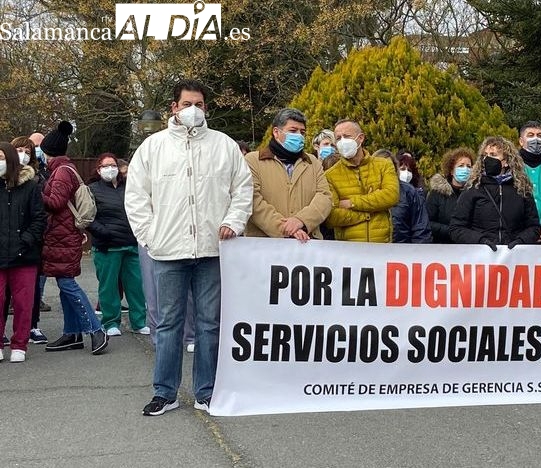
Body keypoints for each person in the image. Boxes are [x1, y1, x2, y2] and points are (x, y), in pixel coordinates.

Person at [126, 79, 253, 416]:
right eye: (186, 104)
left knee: (210, 324)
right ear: (174, 107)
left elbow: (242, 189)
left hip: (213, 250)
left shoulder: (224, 146)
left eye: (198, 104)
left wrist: (234, 221)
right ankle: (165, 392)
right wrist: (150, 236)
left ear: (205, 108)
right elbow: (137, 197)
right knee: (169, 325)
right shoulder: (153, 148)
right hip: (168, 252)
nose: (193, 110)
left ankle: (207, 391)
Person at [40, 121, 109, 355]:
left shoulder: (60, 172)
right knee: (63, 282)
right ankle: (72, 332)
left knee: (67, 283)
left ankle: (95, 329)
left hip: (63, 235)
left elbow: (56, 203)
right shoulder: (67, 169)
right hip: (65, 234)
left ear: (48, 151)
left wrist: (36, 193)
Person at [244, 108, 332, 241]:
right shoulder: (253, 160)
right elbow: (253, 200)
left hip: (308, 242)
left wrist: (301, 221)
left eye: (302, 132)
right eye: (293, 131)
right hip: (264, 245)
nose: (299, 136)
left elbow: (324, 197)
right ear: (276, 132)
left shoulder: (312, 162)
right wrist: (284, 228)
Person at [87, 153, 148, 337]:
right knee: (109, 287)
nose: (110, 169)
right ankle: (111, 322)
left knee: (137, 287)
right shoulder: (92, 189)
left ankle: (139, 321)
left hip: (130, 244)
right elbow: (87, 216)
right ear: (98, 169)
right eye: (105, 166)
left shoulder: (129, 188)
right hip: (107, 246)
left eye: (113, 165)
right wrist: (103, 232)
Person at [449, 136, 541, 249]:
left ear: (506, 161)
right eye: (485, 155)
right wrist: (480, 240)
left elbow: (534, 228)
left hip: (513, 257)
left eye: (493, 155)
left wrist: (520, 241)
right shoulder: (473, 189)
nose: (487, 159)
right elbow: (456, 228)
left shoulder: (522, 190)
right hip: (479, 258)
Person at [0, 142, 47, 362]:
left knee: (23, 302)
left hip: (24, 255)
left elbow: (39, 218)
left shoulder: (30, 186)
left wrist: (26, 240)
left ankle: (20, 344)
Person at [324, 119, 399, 243]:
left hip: (381, 247)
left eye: (347, 136)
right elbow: (331, 217)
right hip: (349, 251)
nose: (342, 141)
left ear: (361, 138)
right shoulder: (330, 175)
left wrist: (352, 203)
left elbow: (391, 195)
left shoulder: (383, 165)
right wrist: (368, 214)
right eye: (338, 138)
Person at [374, 150, 432, 243]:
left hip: (402, 253)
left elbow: (421, 230)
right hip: (369, 252)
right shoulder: (361, 190)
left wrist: (418, 254)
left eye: (388, 167)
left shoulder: (409, 192)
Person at [426, 147, 475, 243]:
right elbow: (428, 222)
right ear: (452, 170)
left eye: (469, 166)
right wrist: (452, 231)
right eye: (461, 166)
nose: (465, 169)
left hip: (467, 247)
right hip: (442, 247)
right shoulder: (437, 193)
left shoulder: (474, 193)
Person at [28, 132, 52, 314]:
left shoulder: (48, 171)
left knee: (40, 270)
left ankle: (39, 298)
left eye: (40, 145)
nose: (37, 149)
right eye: (34, 145)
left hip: (41, 228)